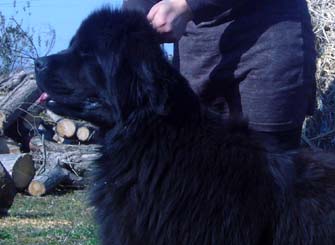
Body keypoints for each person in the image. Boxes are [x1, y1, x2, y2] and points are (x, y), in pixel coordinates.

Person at [123, 0, 317, 153]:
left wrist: (187, 4)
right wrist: (133, 30)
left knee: (270, 168)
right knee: (200, 174)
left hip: (269, 41)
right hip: (196, 52)